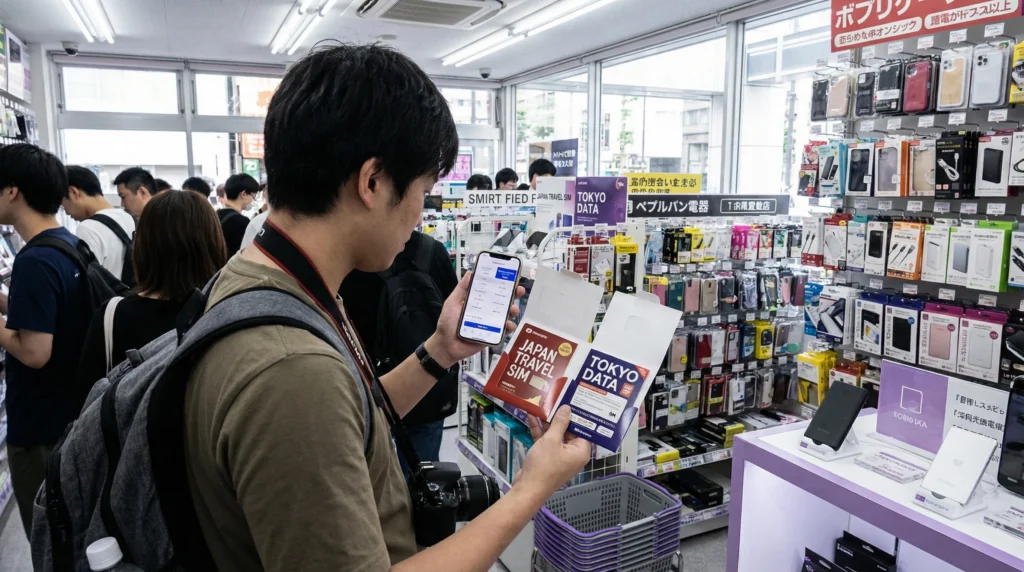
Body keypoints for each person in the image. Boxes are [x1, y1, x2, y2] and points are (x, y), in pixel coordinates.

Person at [184, 44, 591, 572]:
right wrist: (530, 490)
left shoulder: (266, 277)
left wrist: (439, 350)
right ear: (373, 182)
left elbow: (353, 417)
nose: (423, 211)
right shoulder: (291, 371)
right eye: (424, 188)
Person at [0, 144, 89, 534]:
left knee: (49, 539)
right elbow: (47, 316)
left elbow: (35, 352)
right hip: (68, 415)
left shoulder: (33, 259)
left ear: (11, 191)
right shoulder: (65, 244)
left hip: (40, 432)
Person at [77, 190, 226, 389]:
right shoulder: (226, 310)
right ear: (213, 244)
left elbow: (87, 402)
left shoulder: (113, 317)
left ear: (143, 245)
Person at [340, 230, 459, 474]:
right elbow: (453, 310)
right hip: (428, 381)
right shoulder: (433, 249)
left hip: (368, 386)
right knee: (425, 480)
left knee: (370, 479)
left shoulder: (351, 256)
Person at [61, 166, 136, 279]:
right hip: (130, 294)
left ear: (73, 192)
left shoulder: (88, 227)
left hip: (107, 296)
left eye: (63, 204)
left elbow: (88, 281)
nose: (66, 213)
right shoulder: (128, 217)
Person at [216, 173, 258, 257]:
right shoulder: (242, 222)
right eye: (253, 197)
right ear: (244, 194)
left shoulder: (215, 215)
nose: (253, 201)